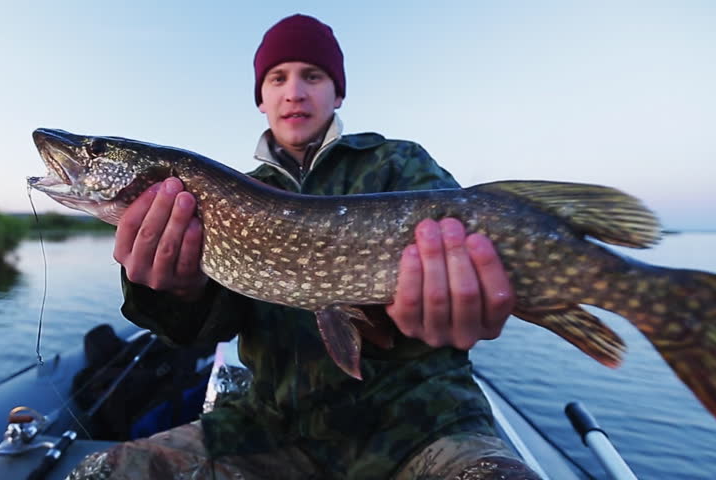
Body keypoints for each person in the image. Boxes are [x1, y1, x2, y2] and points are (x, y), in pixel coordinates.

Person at [68, 14, 540, 480]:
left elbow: (465, 272)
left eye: (312, 76)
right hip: (270, 426)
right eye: (277, 78)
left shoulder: (400, 165)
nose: (294, 91)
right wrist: (173, 292)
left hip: (421, 422)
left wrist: (442, 314)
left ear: (338, 92)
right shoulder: (225, 195)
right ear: (262, 98)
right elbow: (204, 327)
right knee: (96, 474)